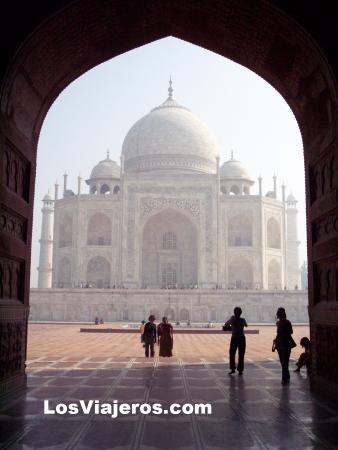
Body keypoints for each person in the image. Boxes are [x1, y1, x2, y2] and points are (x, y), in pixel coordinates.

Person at [273, 307, 296, 384]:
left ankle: (284, 377)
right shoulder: (286, 322)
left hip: (281, 343)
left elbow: (280, 333)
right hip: (286, 342)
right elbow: (291, 332)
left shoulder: (279, 323)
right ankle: (286, 375)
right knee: (285, 361)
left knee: (283, 361)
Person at [224, 307, 248, 376]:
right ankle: (240, 370)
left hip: (234, 338)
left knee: (232, 354)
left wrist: (232, 319)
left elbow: (226, 324)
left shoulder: (232, 319)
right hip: (241, 338)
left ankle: (233, 369)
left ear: (234, 312)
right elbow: (246, 325)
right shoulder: (243, 320)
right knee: (241, 354)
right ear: (241, 313)